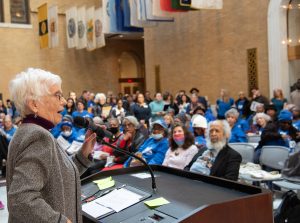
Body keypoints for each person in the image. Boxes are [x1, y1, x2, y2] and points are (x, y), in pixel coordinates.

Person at [7, 68, 96, 223]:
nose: (63, 101)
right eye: (58, 95)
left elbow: (57, 177)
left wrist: (82, 155)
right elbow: (21, 199)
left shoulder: (30, 131)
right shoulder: (38, 136)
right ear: (34, 104)